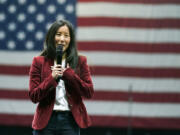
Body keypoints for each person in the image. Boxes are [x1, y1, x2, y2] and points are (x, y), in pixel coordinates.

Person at [28, 19, 94, 135]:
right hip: (46, 122)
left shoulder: (80, 61)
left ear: (71, 39)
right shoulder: (38, 61)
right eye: (58, 34)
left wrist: (70, 76)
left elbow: (88, 92)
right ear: (51, 37)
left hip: (70, 121)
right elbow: (34, 96)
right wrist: (51, 79)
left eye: (66, 36)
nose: (62, 39)